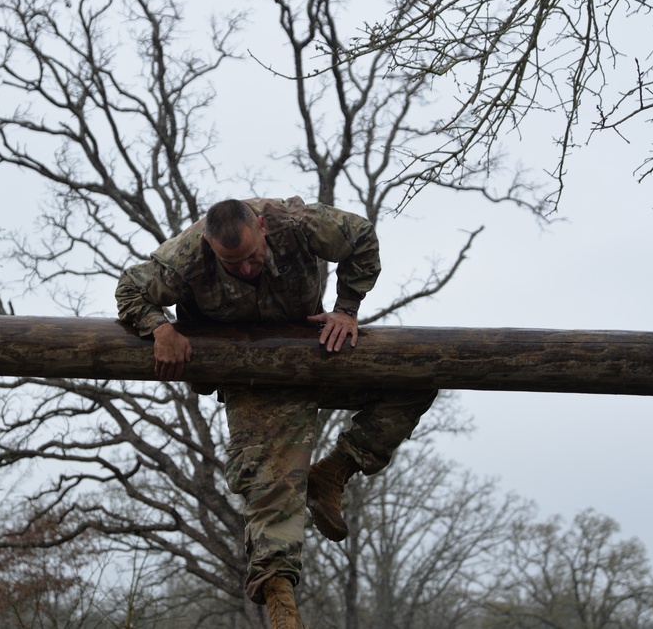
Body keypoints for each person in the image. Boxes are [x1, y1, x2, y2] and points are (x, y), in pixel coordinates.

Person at [116, 197, 435, 628]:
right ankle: (284, 611)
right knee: (270, 489)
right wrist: (161, 328)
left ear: (263, 227)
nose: (247, 269)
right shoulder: (188, 254)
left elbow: (361, 236)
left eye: (252, 257)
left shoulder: (296, 223)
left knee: (418, 377)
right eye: (234, 264)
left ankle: (335, 471)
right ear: (211, 248)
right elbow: (130, 287)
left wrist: (345, 310)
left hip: (316, 349)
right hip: (248, 373)